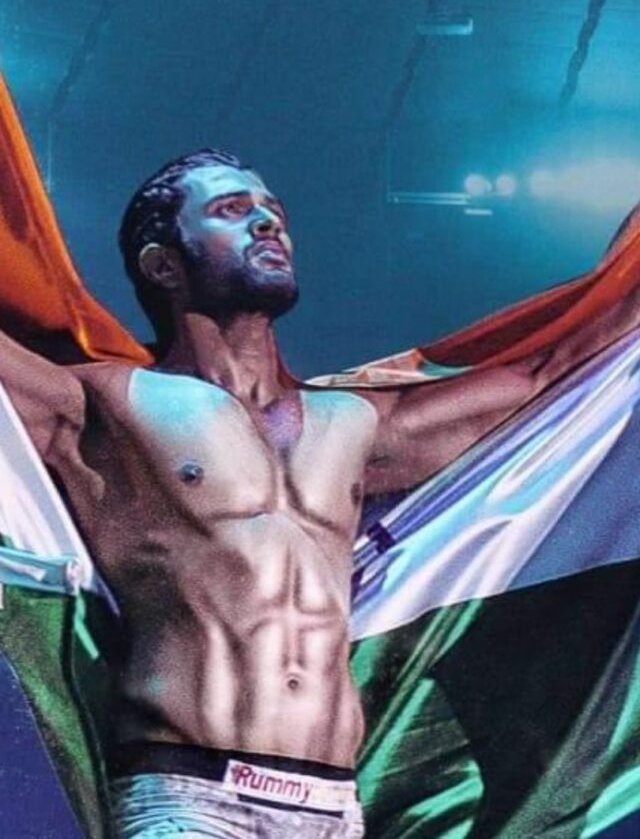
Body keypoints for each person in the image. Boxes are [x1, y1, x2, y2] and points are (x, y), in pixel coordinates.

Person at [1, 146, 639, 838]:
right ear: (163, 265)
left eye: (271, 211)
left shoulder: (354, 424)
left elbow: (548, 375)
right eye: (231, 210)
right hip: (192, 801)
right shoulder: (112, 409)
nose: (267, 223)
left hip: (332, 809)